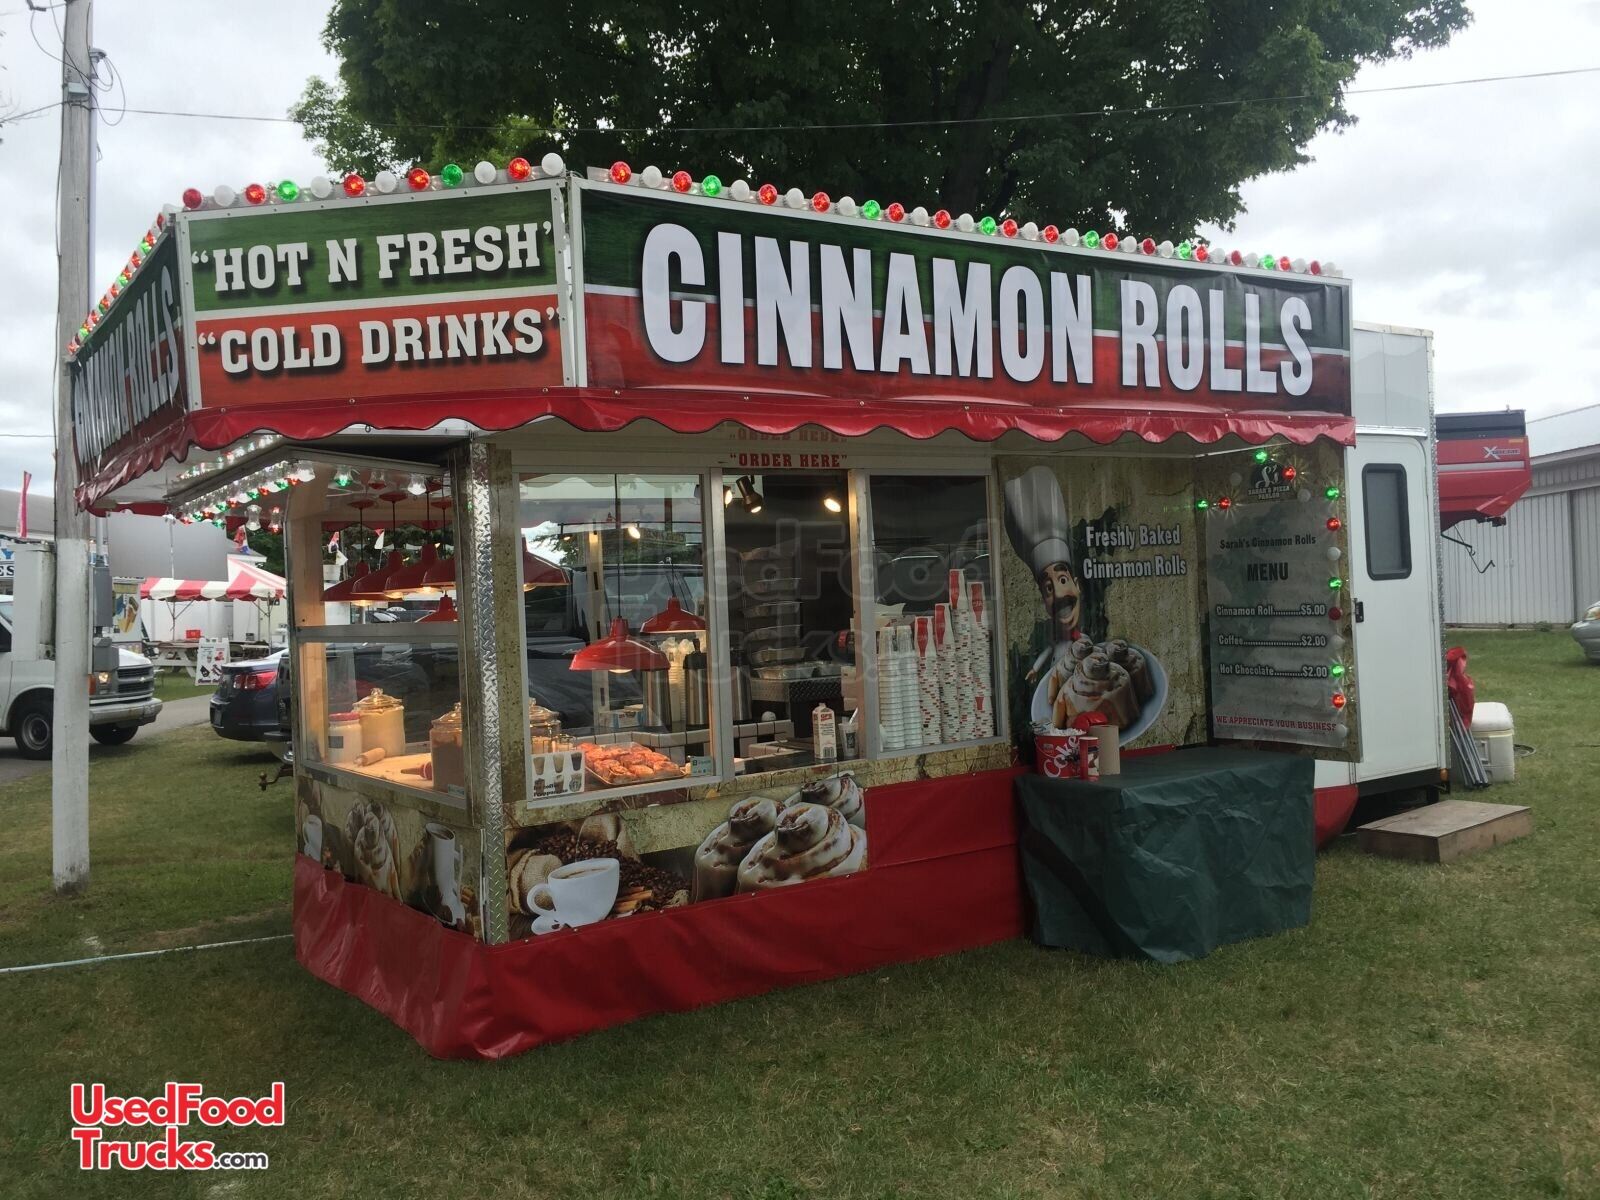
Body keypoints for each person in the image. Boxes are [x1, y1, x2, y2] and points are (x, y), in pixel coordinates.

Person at [1003, 466, 1084, 681]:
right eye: (1048, 588)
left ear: (1077, 585)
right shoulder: (1057, 641)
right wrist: (1035, 669)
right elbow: (1048, 652)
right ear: (1044, 601)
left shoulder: (1083, 642)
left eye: (1063, 579)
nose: (1058, 594)